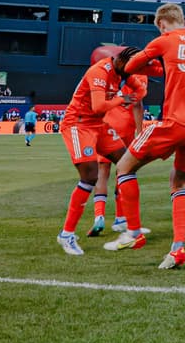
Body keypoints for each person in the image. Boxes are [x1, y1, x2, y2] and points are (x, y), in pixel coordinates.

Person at [103, 3, 185, 270]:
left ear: (162, 24)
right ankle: (177, 248)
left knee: (124, 167)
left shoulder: (164, 40)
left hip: (176, 122)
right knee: (179, 183)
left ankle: (133, 233)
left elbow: (130, 66)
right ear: (182, 19)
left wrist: (136, 61)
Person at [56, 46, 137, 256]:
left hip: (98, 124)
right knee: (90, 176)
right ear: (120, 61)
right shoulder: (99, 71)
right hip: (78, 124)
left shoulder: (122, 72)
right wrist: (123, 99)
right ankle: (66, 234)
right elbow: (99, 106)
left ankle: (128, 225)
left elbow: (141, 91)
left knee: (127, 164)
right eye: (131, 67)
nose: (132, 71)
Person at [89, 47, 148, 236]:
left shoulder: (109, 71)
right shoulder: (139, 75)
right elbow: (137, 104)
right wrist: (140, 132)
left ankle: (99, 216)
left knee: (102, 173)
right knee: (125, 171)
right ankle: (120, 218)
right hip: (125, 127)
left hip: (106, 125)